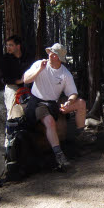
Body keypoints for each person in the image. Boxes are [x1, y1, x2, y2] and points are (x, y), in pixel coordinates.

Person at [23, 43, 86, 172]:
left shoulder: (65, 73)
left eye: (54, 53)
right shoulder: (40, 64)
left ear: (59, 58)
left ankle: (81, 134)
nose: (51, 55)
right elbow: (26, 79)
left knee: (81, 103)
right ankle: (59, 154)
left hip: (53, 102)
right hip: (38, 102)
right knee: (50, 122)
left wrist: (69, 101)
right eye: (50, 52)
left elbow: (73, 92)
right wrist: (39, 70)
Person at [0, 35, 33, 119]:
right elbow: (3, 79)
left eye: (11, 45)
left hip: (29, 86)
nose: (8, 47)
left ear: (18, 46)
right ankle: (11, 127)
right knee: (13, 107)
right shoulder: (5, 59)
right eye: (7, 45)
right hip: (12, 86)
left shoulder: (28, 57)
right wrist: (19, 81)